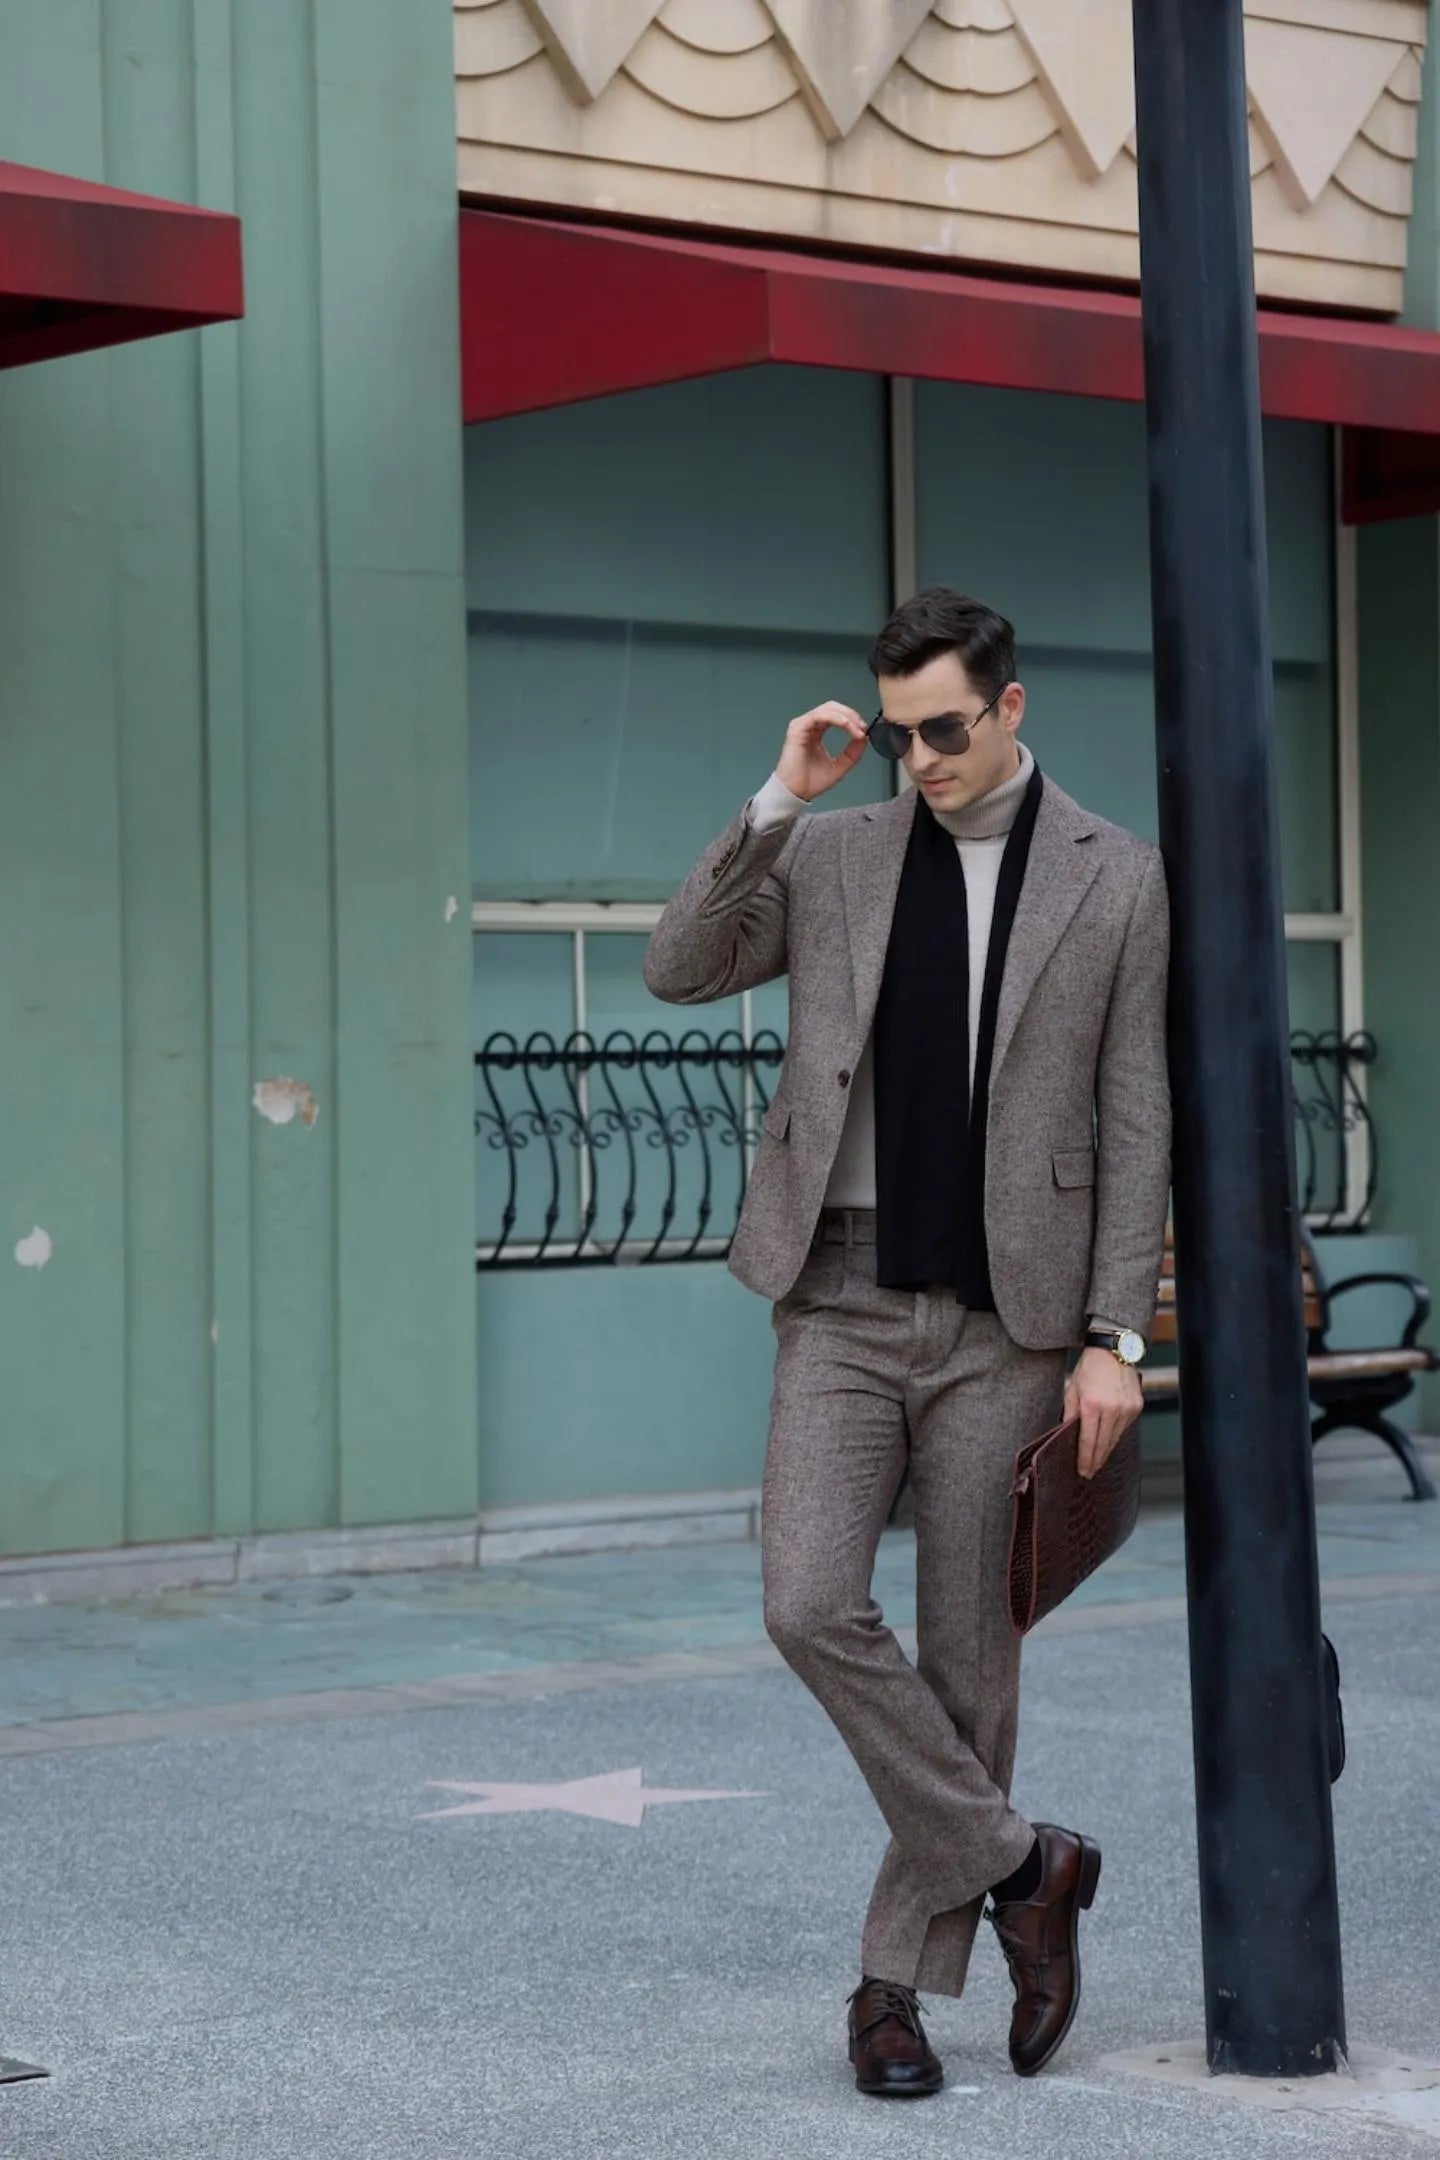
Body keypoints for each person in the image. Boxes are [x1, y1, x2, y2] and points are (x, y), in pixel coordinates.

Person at [643, 587, 1171, 2098]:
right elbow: (679, 966)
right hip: (843, 1296)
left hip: (1014, 1317)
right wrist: (778, 799)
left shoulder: (1117, 874)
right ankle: (1027, 1868)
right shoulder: (836, 851)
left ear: (1011, 708)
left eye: (946, 730)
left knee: (971, 1659)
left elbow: (1137, 1115)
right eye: (900, 735)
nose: (923, 759)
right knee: (808, 1600)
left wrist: (1116, 1335)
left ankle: (892, 1992)